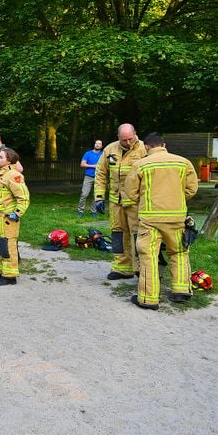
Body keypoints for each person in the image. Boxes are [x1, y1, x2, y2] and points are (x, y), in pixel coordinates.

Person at [123, 133, 198, 310]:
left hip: (150, 220)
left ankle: (148, 299)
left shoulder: (140, 164)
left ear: (147, 147)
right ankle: (181, 290)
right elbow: (191, 189)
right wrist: (176, 200)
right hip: (177, 218)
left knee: (148, 257)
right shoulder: (183, 162)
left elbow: (130, 192)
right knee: (179, 252)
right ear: (163, 144)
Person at [94, 123, 147, 280]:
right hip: (116, 202)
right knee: (118, 233)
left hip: (136, 202)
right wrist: (99, 197)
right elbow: (101, 173)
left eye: (130, 139)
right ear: (118, 138)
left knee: (138, 235)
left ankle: (141, 269)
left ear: (135, 133)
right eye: (124, 140)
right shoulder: (110, 149)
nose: (128, 143)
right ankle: (122, 267)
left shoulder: (145, 149)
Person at [0, 148, 29, 286]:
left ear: (9, 160)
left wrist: (16, 213)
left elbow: (23, 197)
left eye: (1, 157)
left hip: (7, 218)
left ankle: (10, 276)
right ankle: (2, 270)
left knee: (7, 245)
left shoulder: (13, 175)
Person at [77, 139, 103, 217]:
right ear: (94, 145)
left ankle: (93, 212)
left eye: (99, 144)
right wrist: (93, 166)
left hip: (99, 177)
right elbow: (82, 164)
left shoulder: (103, 154)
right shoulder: (88, 153)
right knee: (84, 194)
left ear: (101, 146)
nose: (97, 145)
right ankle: (80, 211)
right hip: (88, 176)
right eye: (96, 143)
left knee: (96, 195)